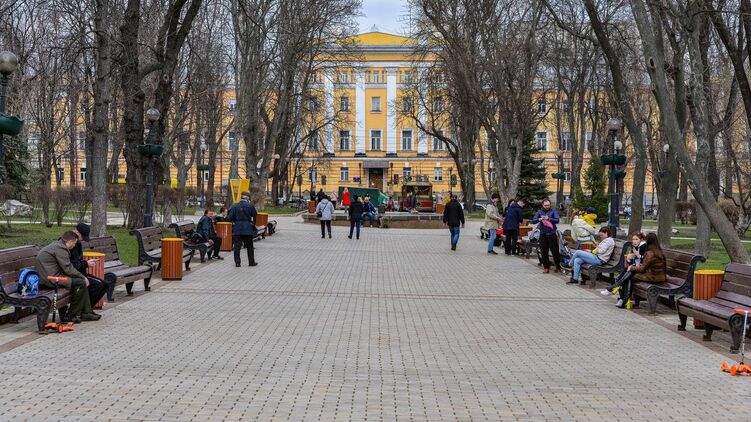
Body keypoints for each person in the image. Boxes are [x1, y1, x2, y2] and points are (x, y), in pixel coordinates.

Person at [35, 231, 100, 324]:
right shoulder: (61, 249)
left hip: (50, 276)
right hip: (50, 279)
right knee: (81, 283)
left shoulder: (58, 245)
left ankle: (86, 311)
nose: (74, 245)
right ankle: (71, 314)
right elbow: (68, 268)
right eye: (74, 243)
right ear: (70, 241)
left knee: (80, 282)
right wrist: (83, 277)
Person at [613, 232, 666, 308]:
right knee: (629, 274)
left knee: (629, 277)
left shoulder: (649, 253)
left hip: (652, 277)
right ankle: (622, 298)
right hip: (658, 276)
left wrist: (632, 268)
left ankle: (622, 298)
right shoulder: (659, 251)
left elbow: (642, 269)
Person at [71, 223, 113, 308]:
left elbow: (78, 262)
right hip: (73, 275)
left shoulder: (78, 244)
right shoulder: (70, 245)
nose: (82, 239)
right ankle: (83, 310)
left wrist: (87, 263)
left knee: (105, 284)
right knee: (97, 285)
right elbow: (71, 266)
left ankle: (87, 309)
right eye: (82, 236)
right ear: (77, 232)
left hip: (80, 274)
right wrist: (86, 263)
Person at [227, 191, 258, 267]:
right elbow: (255, 214)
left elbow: (229, 218)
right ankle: (251, 262)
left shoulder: (235, 206)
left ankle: (237, 263)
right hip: (248, 228)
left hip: (238, 229)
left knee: (237, 247)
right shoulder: (250, 205)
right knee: (249, 247)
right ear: (247, 198)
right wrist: (253, 224)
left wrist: (234, 222)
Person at [531, 199, 562, 273]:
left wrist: (549, 218)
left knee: (555, 251)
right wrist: (540, 219)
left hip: (552, 234)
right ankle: (546, 267)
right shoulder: (539, 212)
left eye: (548, 205)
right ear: (542, 205)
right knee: (544, 251)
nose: (547, 206)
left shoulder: (553, 211)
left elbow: (557, 220)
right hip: (543, 234)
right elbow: (533, 221)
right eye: (545, 205)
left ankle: (558, 267)